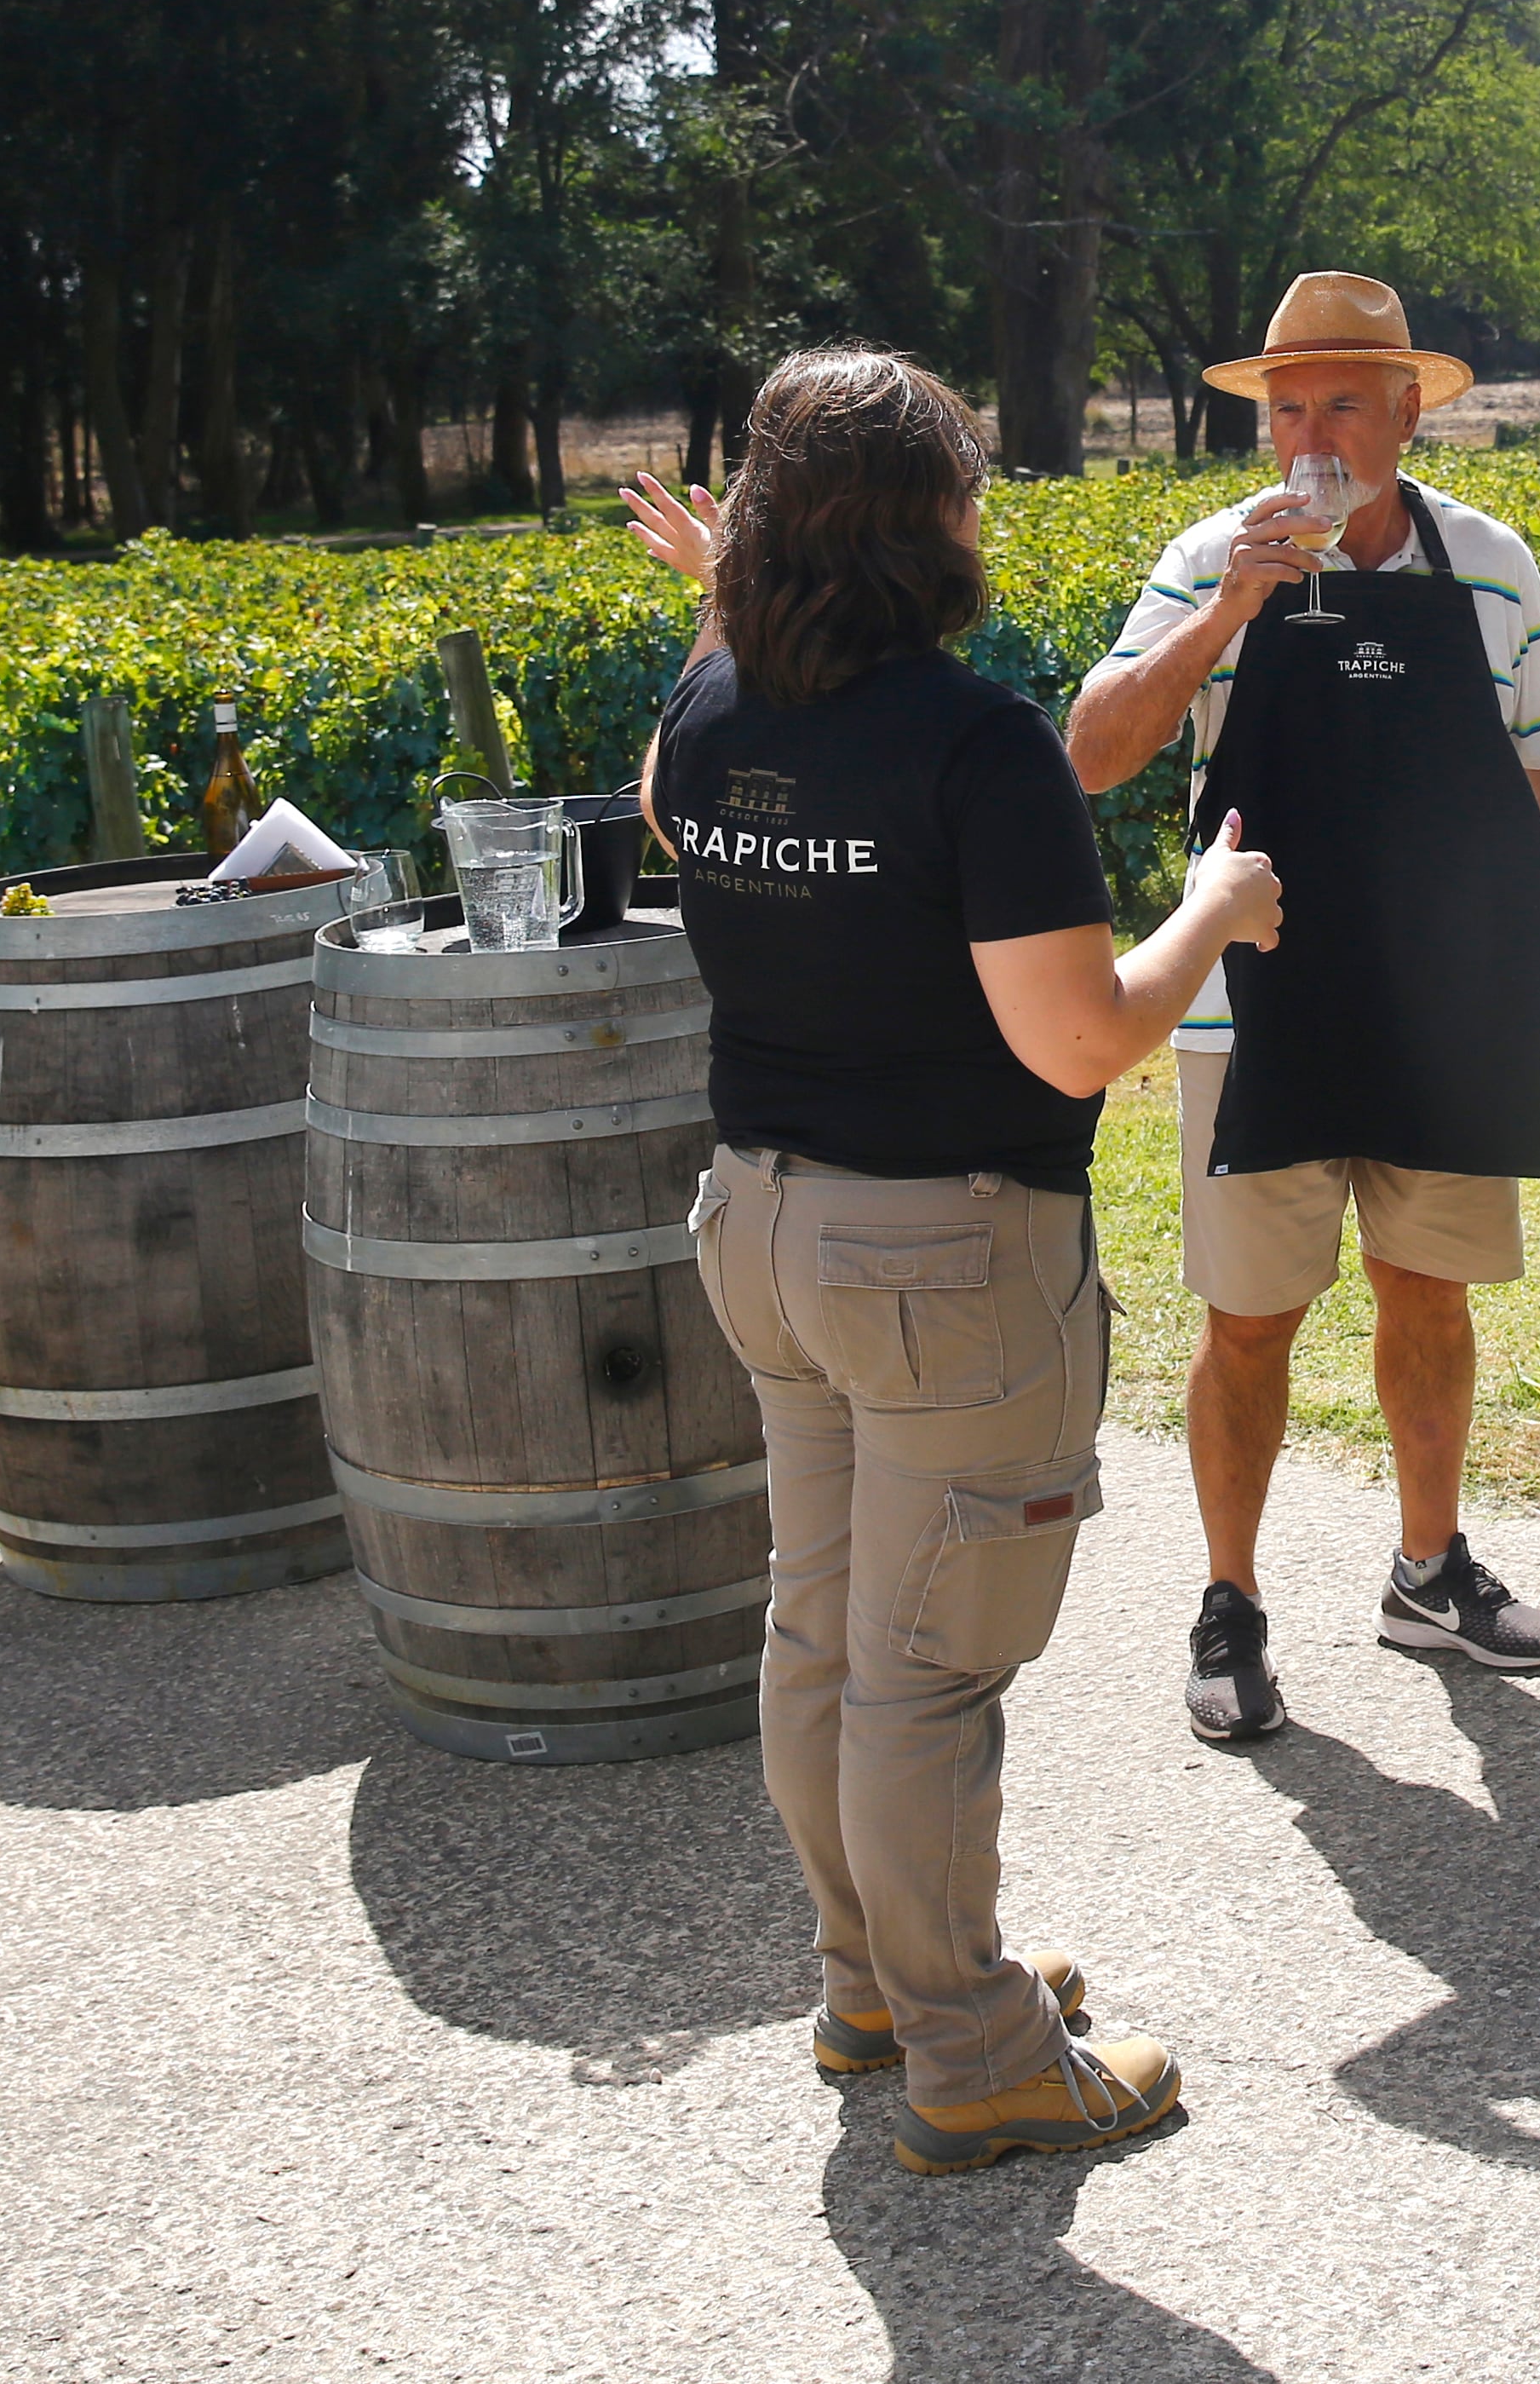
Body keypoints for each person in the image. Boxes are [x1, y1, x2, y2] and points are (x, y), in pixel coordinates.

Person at [627, 352, 1284, 2178]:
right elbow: (1077, 1042)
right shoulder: (978, 745)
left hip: (759, 1228)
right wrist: (1210, 913)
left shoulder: (712, 702)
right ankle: (974, 2054)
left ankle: (875, 1985)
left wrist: (720, 611)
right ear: (934, 527)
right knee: (924, 1675)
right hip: (943, 1265)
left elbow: (679, 815)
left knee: (825, 1629)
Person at [1066, 272, 1540, 1743]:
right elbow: (1092, 752)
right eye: (1286, 408)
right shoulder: (1208, 556)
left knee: (1429, 1294)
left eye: (1341, 402)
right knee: (1248, 1322)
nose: (1310, 437)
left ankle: (1427, 1571)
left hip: (1444, 1002)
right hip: (1249, 1006)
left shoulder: (1489, 564)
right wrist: (1230, 609)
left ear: (1407, 412)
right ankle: (1229, 1602)